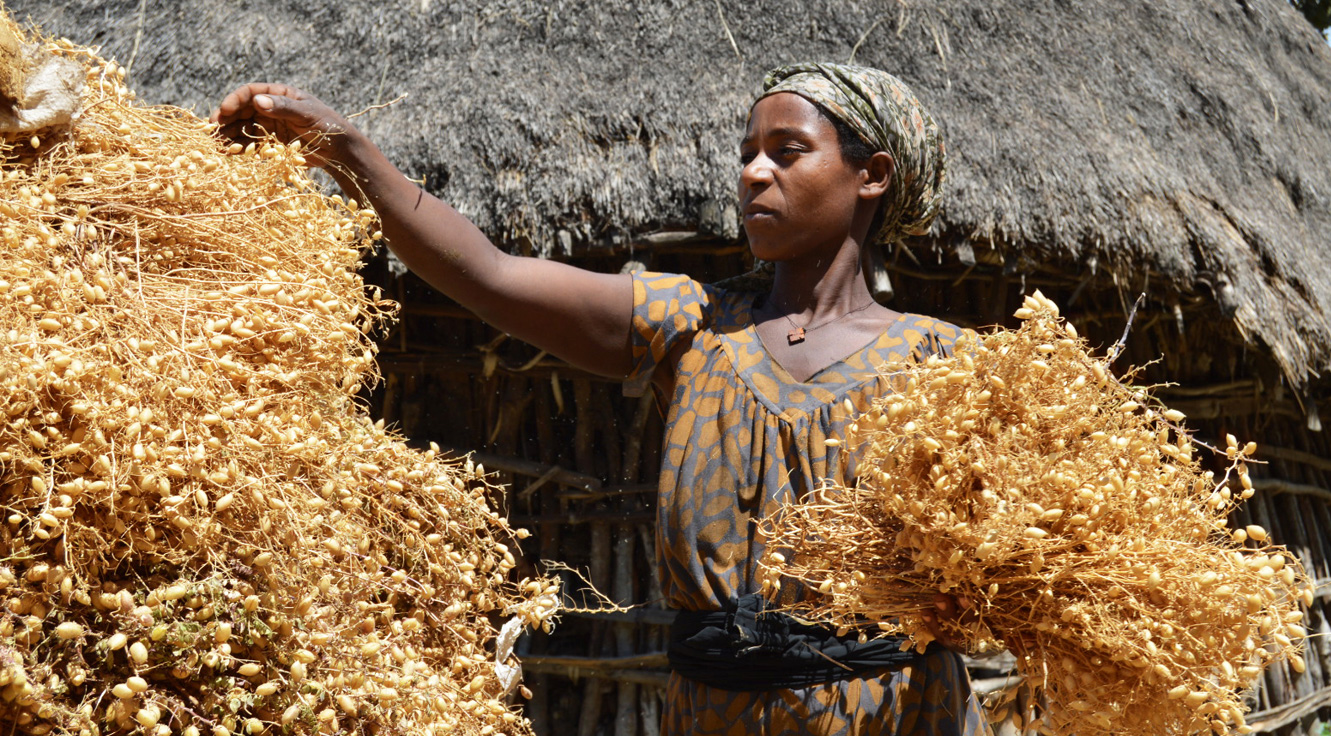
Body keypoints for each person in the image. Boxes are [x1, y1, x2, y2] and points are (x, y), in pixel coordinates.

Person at [215, 61, 986, 736]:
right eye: (747, 154)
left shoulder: (946, 363)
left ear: (872, 175)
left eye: (787, 153)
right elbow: (490, 275)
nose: (753, 173)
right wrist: (347, 152)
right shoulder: (690, 327)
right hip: (717, 715)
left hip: (898, 713)